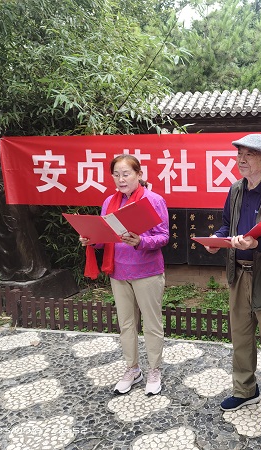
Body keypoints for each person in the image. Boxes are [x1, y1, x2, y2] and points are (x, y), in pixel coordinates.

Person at [205, 133, 261, 433]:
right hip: (239, 275)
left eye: (249, 155)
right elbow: (226, 225)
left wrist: (255, 242)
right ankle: (245, 390)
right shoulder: (235, 190)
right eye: (239, 154)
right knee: (241, 339)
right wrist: (217, 240)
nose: (241, 160)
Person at [80, 154, 169, 396]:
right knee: (126, 324)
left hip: (147, 271)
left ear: (139, 174)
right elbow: (104, 238)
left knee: (151, 324)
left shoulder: (153, 200)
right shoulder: (109, 202)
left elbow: (163, 236)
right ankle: (132, 368)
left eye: (126, 174)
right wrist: (91, 239)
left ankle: (154, 370)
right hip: (118, 271)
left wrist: (141, 241)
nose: (121, 179)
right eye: (116, 175)